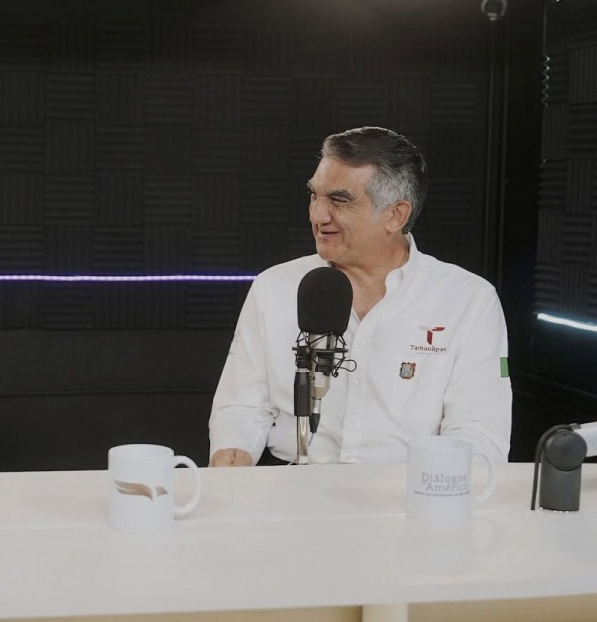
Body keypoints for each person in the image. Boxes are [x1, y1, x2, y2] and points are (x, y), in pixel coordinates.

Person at [209, 126, 511, 467]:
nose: (318, 215)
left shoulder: (469, 301)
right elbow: (241, 406)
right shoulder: (274, 287)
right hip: (291, 485)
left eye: (339, 200)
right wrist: (233, 452)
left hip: (411, 489)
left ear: (395, 215)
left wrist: (439, 487)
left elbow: (478, 432)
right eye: (314, 195)